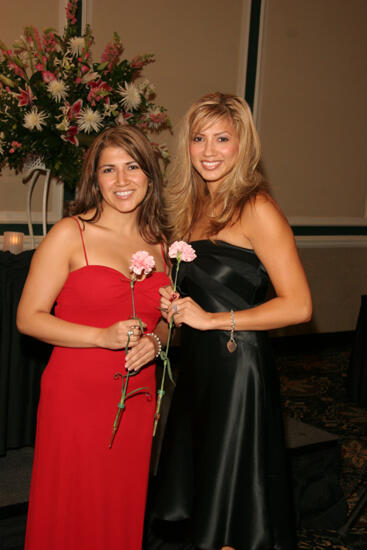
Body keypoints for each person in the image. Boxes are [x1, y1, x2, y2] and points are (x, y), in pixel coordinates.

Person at [153, 92, 312, 550]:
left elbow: (299, 305)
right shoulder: (191, 207)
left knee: (232, 503)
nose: (208, 150)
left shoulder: (256, 207)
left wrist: (209, 320)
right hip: (201, 366)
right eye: (199, 138)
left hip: (238, 367)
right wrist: (175, 303)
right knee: (208, 491)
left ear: (244, 145)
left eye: (223, 138)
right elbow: (201, 290)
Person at [17, 125, 171, 550]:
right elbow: (28, 318)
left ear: (149, 175)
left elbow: (168, 320)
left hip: (137, 395)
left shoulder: (163, 243)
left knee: (119, 506)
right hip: (76, 394)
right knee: (72, 507)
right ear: (94, 179)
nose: (121, 181)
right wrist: (101, 337)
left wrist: (157, 342)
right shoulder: (71, 233)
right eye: (109, 170)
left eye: (132, 167)